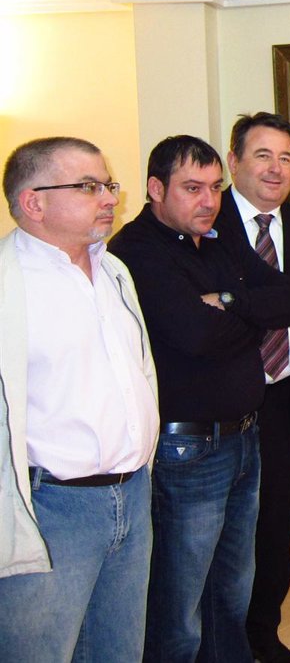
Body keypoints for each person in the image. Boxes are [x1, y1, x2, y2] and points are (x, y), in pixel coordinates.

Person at [108, 135, 290, 661]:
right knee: (179, 606)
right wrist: (250, 314)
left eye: (215, 188)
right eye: (192, 188)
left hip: (243, 436)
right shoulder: (137, 251)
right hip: (188, 450)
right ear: (155, 189)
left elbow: (289, 298)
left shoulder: (213, 240)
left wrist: (228, 300)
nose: (209, 201)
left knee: (231, 591)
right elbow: (197, 335)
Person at [0, 138, 158, 662]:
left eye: (108, 184)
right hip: (51, 509)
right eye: (89, 186)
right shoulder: (8, 283)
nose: (110, 197)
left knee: (119, 650)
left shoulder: (114, 271)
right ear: (34, 202)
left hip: (131, 496)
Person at [214, 113, 290, 663]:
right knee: (221, 534)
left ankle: (263, 633)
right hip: (222, 403)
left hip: (285, 396)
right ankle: (220, 641)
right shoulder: (207, 222)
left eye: (285, 158)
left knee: (275, 527)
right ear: (234, 161)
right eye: (262, 156)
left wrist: (234, 302)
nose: (276, 169)